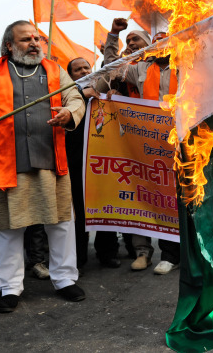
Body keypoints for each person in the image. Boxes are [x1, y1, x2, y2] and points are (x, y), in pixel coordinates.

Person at [0, 20, 86, 312]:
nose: (34, 43)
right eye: (25, 40)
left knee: (60, 223)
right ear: (9, 45)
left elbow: (75, 98)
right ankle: (10, 288)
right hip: (7, 163)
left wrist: (68, 113)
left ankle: (65, 279)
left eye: (37, 38)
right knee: (9, 229)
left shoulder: (54, 69)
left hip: (51, 161)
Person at [93, 37, 181, 275]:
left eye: (166, 40)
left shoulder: (185, 62)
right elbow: (111, 68)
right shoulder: (141, 68)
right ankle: (144, 252)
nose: (161, 45)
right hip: (147, 141)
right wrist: (113, 36)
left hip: (178, 140)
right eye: (156, 41)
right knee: (149, 193)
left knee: (174, 196)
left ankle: (173, 254)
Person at [66, 58, 121, 270]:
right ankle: (79, 256)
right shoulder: (66, 93)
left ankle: (107, 252)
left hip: (102, 161)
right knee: (79, 209)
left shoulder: (104, 89)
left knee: (105, 205)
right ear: (70, 76)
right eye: (77, 69)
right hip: (76, 159)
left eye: (86, 67)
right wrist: (80, 95)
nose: (83, 71)